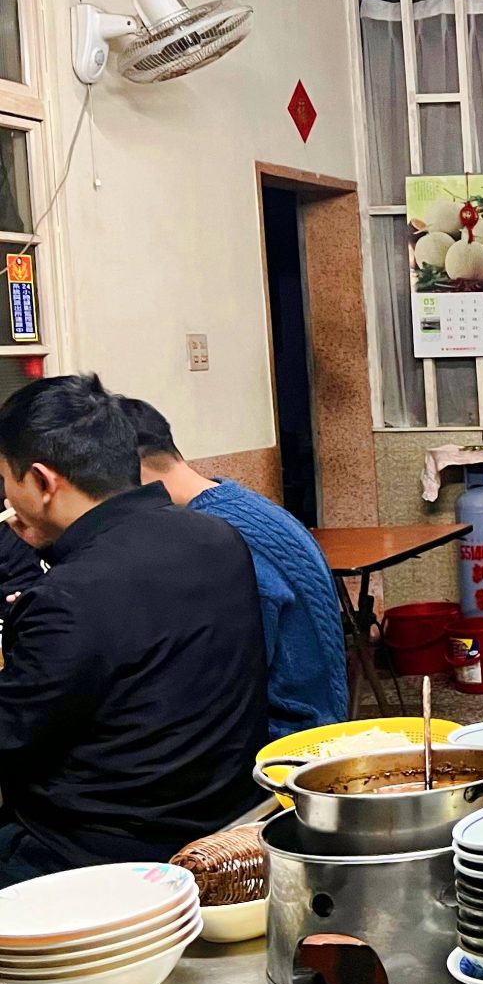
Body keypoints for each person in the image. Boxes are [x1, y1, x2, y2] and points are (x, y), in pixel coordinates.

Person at [0, 376, 268, 884]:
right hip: (227, 822)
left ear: (41, 480)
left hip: (102, 855)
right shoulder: (215, 536)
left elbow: (13, 737)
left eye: (6, 481)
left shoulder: (67, 596)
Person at [120, 397, 349, 741]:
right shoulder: (242, 505)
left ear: (127, 470)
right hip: (317, 723)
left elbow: (222, 685)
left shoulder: (216, 540)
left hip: (286, 744)